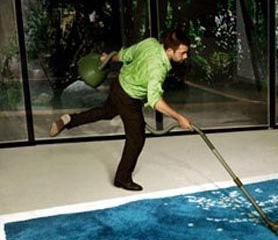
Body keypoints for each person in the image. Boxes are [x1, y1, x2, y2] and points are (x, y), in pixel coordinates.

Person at [48, 29, 193, 191]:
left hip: (119, 84)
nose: (185, 56)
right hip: (129, 98)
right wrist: (179, 118)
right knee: (137, 138)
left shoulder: (150, 43)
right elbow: (155, 101)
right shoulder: (157, 68)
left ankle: (69, 120)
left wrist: (109, 59)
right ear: (170, 51)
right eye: (182, 53)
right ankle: (122, 179)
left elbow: (125, 55)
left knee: (107, 112)